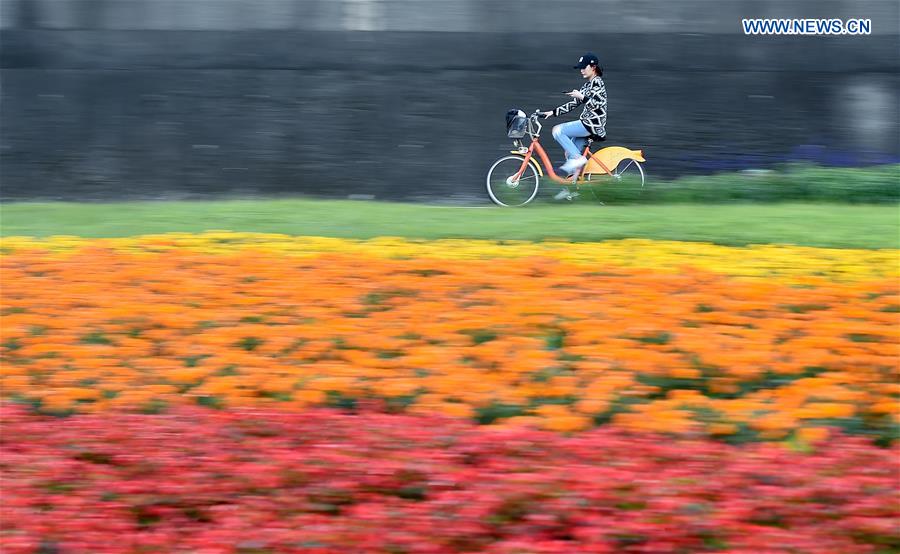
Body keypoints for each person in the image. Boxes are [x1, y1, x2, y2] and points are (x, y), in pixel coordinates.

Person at [540, 52, 607, 199]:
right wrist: (552, 112)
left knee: (558, 130)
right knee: (569, 154)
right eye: (580, 68)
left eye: (584, 67)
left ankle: (579, 159)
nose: (581, 70)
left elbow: (597, 104)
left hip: (592, 124)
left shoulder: (597, 82)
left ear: (593, 67)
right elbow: (572, 104)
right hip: (588, 124)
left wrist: (581, 96)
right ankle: (571, 190)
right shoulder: (587, 85)